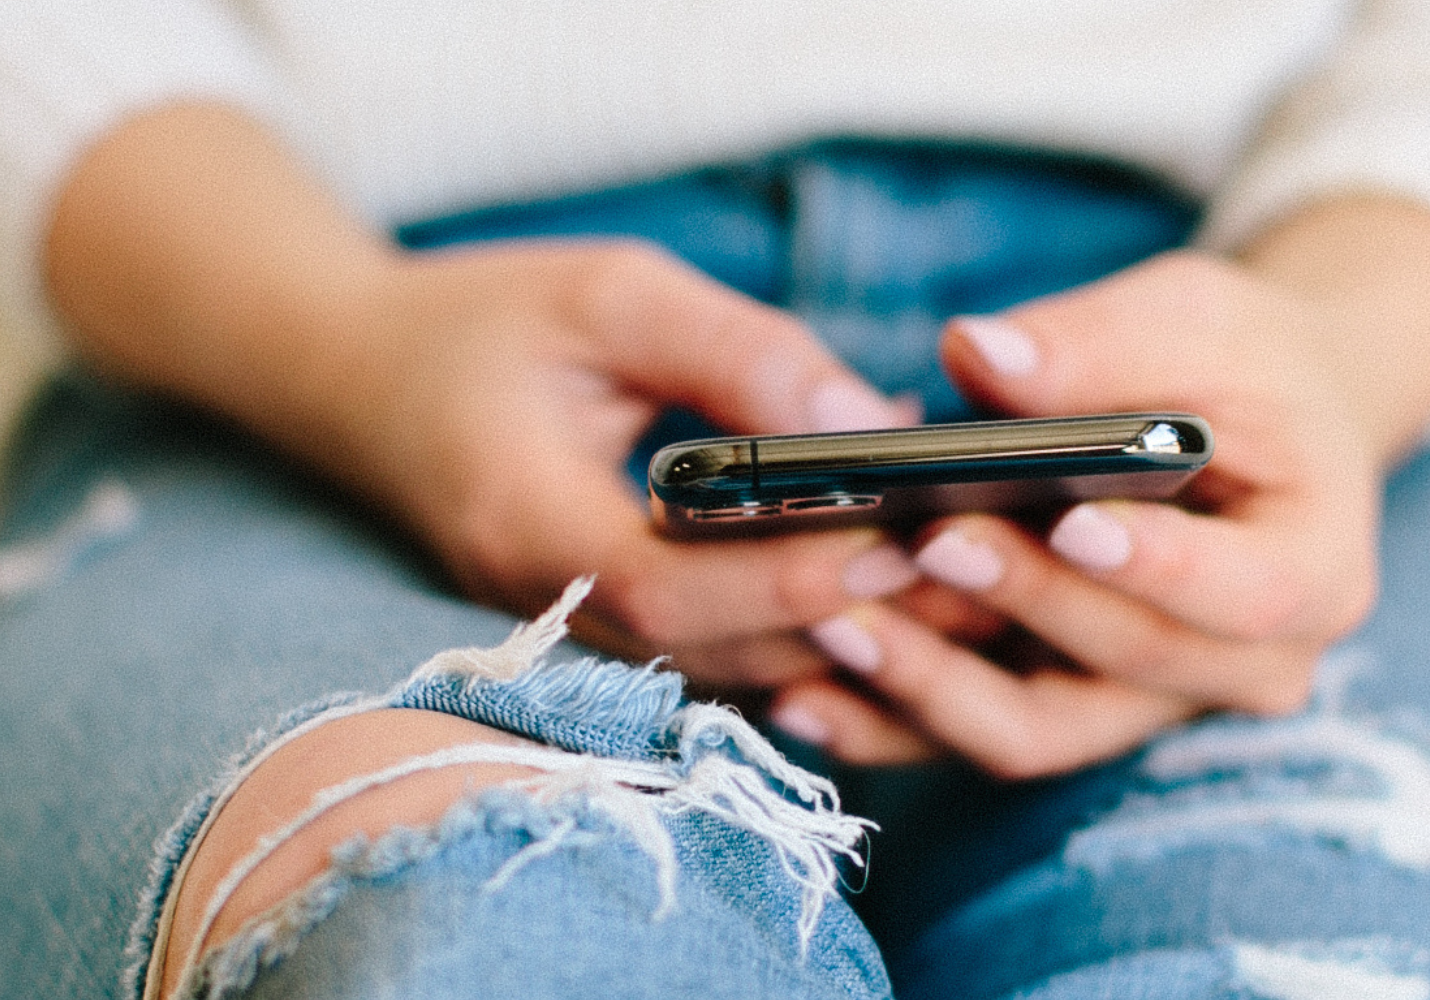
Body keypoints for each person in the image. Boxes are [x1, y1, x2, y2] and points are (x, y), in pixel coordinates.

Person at [4, 3, 1430, 998]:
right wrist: (342, 334)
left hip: (1262, 296)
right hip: (294, 320)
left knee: (1301, 944)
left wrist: (1340, 345)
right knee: (497, 913)